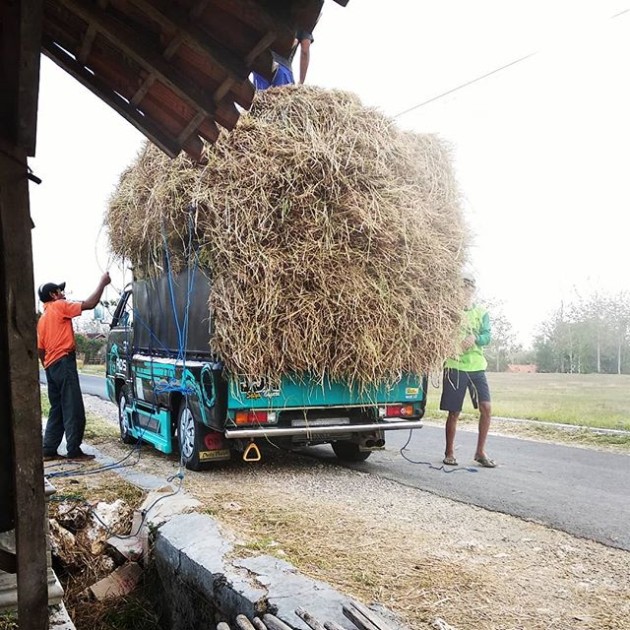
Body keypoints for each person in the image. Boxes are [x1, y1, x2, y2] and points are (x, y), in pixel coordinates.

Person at [38, 273, 111, 461]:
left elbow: (40, 349)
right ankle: (74, 450)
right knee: (73, 408)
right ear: (53, 295)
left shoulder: (43, 318)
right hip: (63, 362)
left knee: (58, 409)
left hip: (51, 367)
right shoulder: (60, 307)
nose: (63, 293)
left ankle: (48, 449)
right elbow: (90, 304)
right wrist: (102, 283)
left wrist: (46, 365)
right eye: (59, 290)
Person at [440, 272, 496, 468]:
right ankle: (449, 452)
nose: (466, 290)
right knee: (454, 412)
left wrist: (476, 339)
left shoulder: (481, 312)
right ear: (457, 289)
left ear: (474, 290)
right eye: (463, 287)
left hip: (477, 367)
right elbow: (440, 336)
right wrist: (455, 347)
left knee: (487, 408)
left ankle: (480, 452)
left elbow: (487, 336)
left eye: (470, 287)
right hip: (455, 365)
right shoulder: (449, 312)